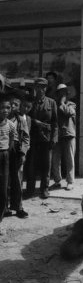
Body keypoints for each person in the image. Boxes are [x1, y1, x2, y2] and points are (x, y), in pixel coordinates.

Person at [27, 78, 58, 199]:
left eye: (43, 87)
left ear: (46, 88)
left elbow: (55, 122)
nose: (40, 89)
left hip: (47, 138)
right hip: (33, 138)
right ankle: (30, 189)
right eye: (38, 87)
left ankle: (44, 189)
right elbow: (26, 118)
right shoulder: (31, 102)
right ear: (35, 88)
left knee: (46, 165)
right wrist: (36, 122)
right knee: (32, 165)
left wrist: (54, 138)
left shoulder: (51, 103)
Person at [8, 93, 29, 218]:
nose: (13, 106)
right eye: (11, 104)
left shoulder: (21, 120)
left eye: (16, 104)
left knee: (17, 180)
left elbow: (26, 138)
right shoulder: (3, 119)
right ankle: (4, 207)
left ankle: (18, 207)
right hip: (4, 152)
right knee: (4, 181)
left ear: (19, 107)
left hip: (17, 152)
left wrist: (23, 153)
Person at [52, 84, 76, 190]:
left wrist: (62, 103)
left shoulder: (71, 104)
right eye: (60, 93)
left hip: (69, 134)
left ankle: (70, 181)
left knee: (69, 158)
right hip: (57, 135)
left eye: (64, 93)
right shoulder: (54, 104)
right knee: (55, 159)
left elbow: (69, 112)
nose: (62, 95)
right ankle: (57, 180)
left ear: (67, 94)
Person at [0, 94, 15, 227]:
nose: (5, 110)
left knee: (3, 189)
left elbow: (11, 141)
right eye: (2, 108)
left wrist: (6, 153)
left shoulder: (10, 125)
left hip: (4, 156)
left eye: (8, 107)